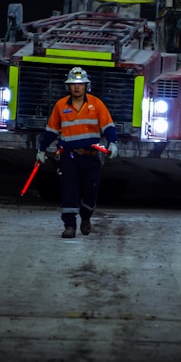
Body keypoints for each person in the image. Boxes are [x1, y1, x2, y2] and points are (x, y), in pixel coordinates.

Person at [36, 66, 119, 238]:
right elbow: (51, 130)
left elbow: (108, 126)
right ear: (68, 86)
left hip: (91, 156)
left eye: (80, 84)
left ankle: (86, 216)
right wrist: (42, 150)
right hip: (69, 155)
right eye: (73, 84)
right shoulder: (60, 105)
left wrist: (113, 143)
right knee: (69, 190)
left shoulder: (96, 104)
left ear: (86, 85)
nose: (76, 87)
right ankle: (69, 226)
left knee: (91, 192)